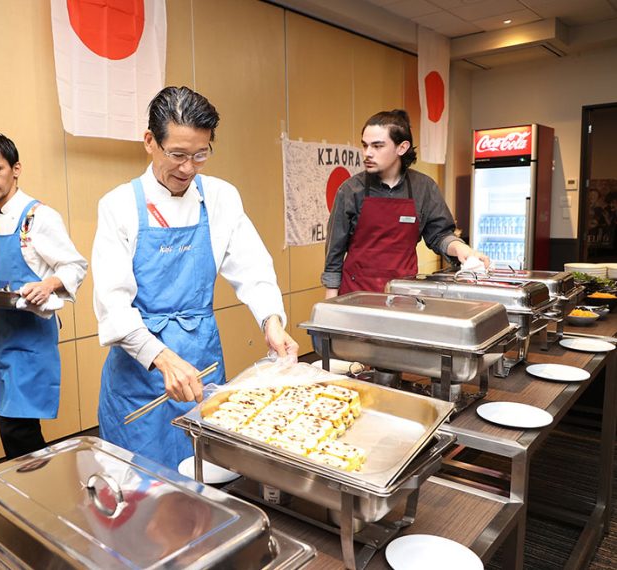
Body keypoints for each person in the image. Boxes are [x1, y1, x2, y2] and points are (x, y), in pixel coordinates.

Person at [92, 86, 298, 469]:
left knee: (206, 476)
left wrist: (271, 322)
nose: (188, 168)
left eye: (200, 155)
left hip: (201, 359)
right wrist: (163, 359)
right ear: (150, 142)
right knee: (141, 486)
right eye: (178, 155)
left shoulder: (220, 197)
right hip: (140, 369)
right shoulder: (119, 206)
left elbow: (253, 267)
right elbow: (113, 306)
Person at [0, 134, 87, 459]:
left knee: (17, 426)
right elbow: (7, 260)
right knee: (8, 420)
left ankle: (38, 493)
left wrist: (47, 285)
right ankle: (32, 490)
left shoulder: (38, 218)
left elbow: (75, 266)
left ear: (16, 169)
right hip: (0, 334)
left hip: (30, 340)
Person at [322, 109, 489, 298]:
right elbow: (334, 251)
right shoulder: (350, 190)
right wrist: (331, 301)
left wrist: (460, 248)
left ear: (402, 147)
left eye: (377, 146)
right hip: (357, 296)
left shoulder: (424, 188)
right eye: (365, 145)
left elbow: (439, 234)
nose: (367, 153)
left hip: (403, 294)